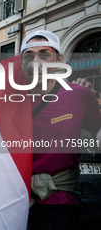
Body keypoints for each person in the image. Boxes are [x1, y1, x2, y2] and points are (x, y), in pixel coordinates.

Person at [21, 30, 101, 230]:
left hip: (59, 204)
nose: (36, 62)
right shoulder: (9, 99)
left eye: (44, 54)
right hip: (14, 201)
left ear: (59, 59)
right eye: (29, 56)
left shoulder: (80, 95)